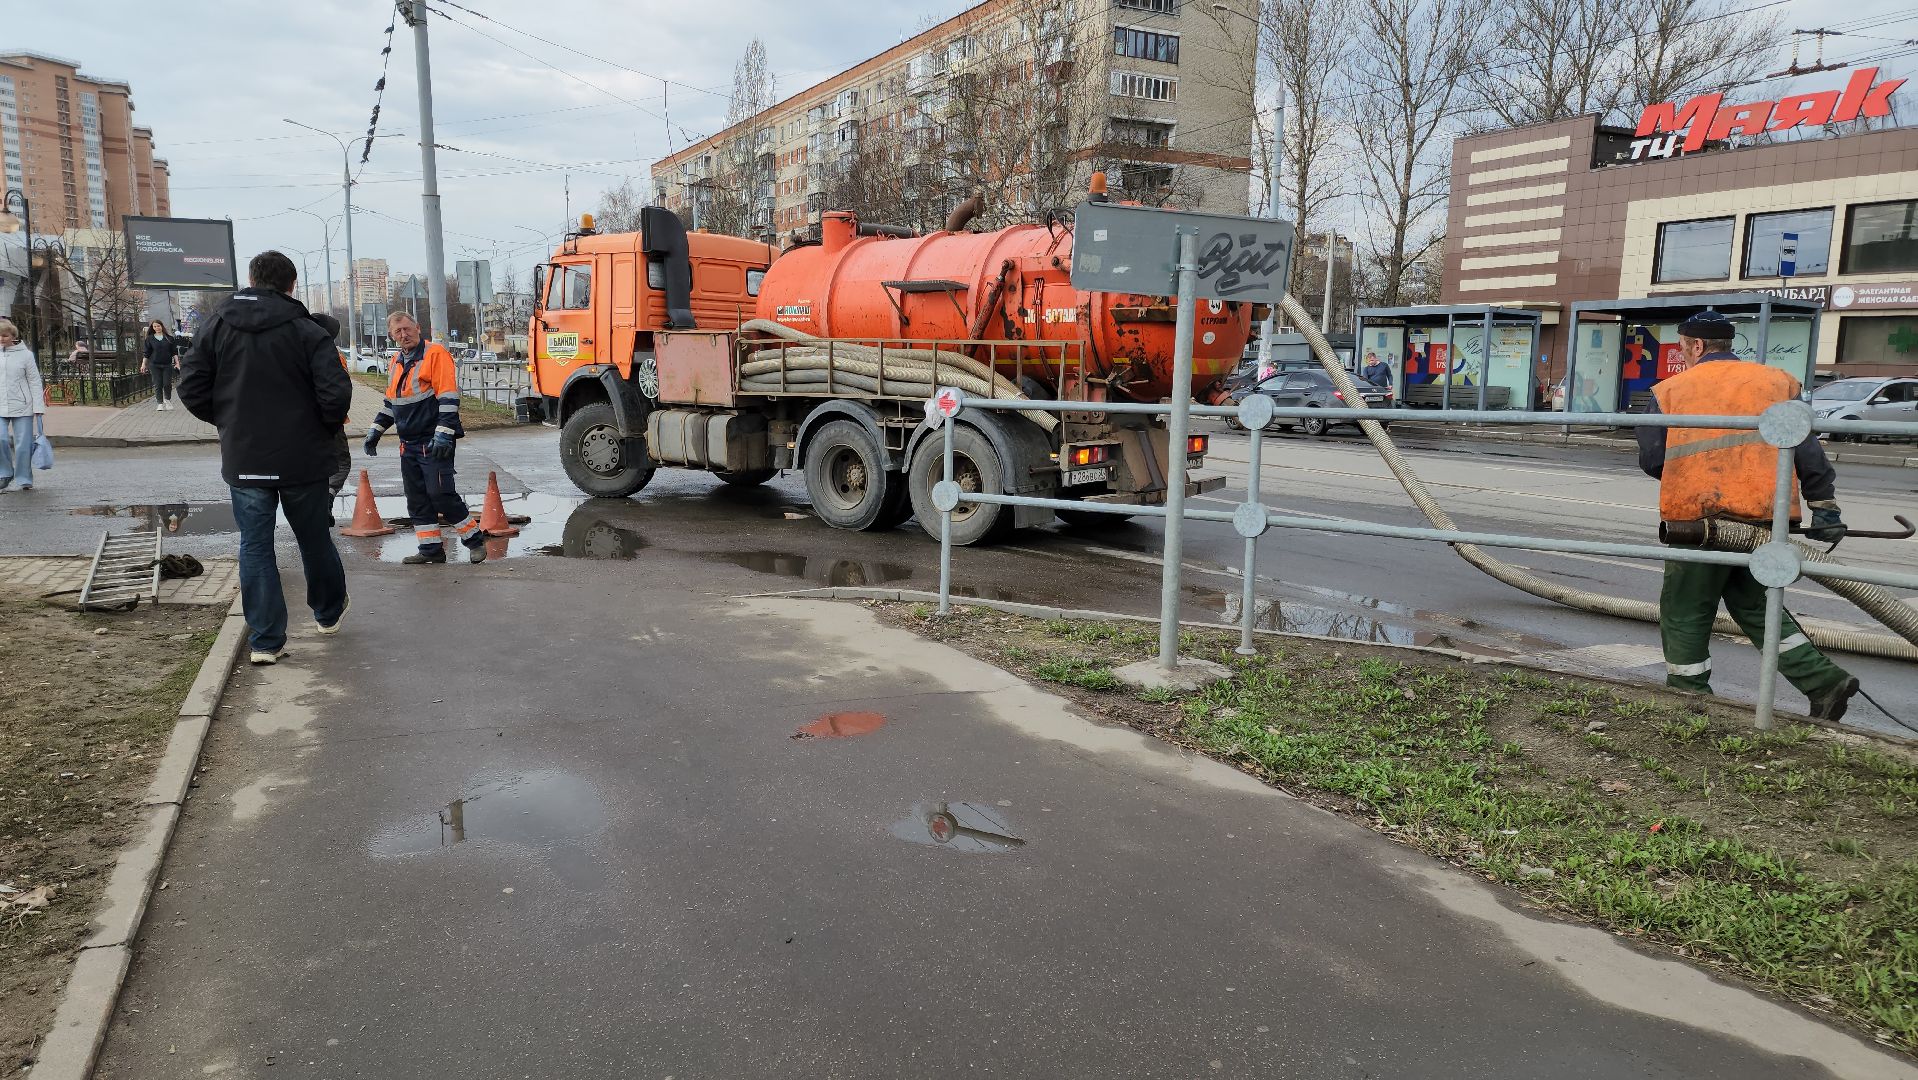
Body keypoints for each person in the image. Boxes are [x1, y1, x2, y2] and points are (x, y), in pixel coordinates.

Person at [1636, 309, 1858, 721]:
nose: (1683, 355)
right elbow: (1805, 447)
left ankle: (1688, 697)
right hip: (1763, 518)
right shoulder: (1777, 383)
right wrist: (1824, 505)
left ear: (1697, 346)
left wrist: (1696, 473)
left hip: (1698, 522)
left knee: (1686, 608)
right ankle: (1823, 682)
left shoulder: (1670, 390)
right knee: (1755, 605)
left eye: (1683, 348)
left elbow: (1652, 459)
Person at [179, 250, 353, 665]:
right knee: (312, 538)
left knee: (255, 546)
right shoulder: (308, 331)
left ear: (253, 280)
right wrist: (319, 430)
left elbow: (191, 386)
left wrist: (229, 422)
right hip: (302, 459)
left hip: (245, 455)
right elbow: (337, 393)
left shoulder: (216, 325)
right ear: (292, 285)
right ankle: (327, 613)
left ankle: (265, 642)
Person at [363, 310, 488, 565]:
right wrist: (376, 430)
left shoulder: (435, 354)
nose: (403, 335)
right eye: (397, 332)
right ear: (391, 335)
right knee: (417, 499)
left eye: (407, 329)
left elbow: (448, 397)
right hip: (408, 443)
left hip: (434, 441)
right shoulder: (396, 361)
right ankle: (430, 549)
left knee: (440, 494)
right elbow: (392, 402)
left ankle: (474, 540)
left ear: (418, 328)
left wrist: (443, 435)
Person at [309, 312, 354, 504]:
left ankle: (313, 503)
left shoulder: (294, 350)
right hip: (330, 422)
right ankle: (326, 499)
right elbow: (341, 391)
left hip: (300, 422)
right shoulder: (335, 355)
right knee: (341, 464)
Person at [0, 319, 45, 493]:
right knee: (1, 438)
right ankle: (4, 474)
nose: (1, 339)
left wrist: (38, 408)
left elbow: (34, 381)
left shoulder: (25, 354)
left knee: (23, 444)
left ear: (13, 336)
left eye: (5, 335)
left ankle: (24, 478)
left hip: (22, 405)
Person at [140, 319, 181, 411]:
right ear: (152, 328)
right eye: (155, 326)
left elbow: (174, 352)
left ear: (162, 326)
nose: (157, 328)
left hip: (167, 365)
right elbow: (146, 353)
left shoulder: (169, 338)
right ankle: (160, 403)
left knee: (167, 384)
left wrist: (177, 363)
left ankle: (167, 400)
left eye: (158, 326)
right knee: (158, 384)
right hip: (154, 365)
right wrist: (143, 364)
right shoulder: (150, 339)